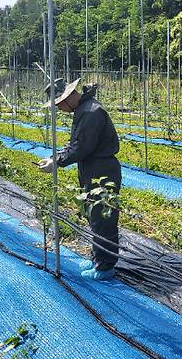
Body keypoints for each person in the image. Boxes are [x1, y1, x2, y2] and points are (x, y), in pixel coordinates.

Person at [38, 78, 121, 280]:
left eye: (58, 105)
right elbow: (76, 144)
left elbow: (81, 147)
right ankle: (97, 258)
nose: (58, 109)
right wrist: (55, 158)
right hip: (92, 167)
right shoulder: (83, 110)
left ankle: (105, 266)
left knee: (103, 217)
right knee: (94, 215)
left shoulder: (91, 113)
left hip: (102, 170)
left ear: (66, 99)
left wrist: (56, 162)